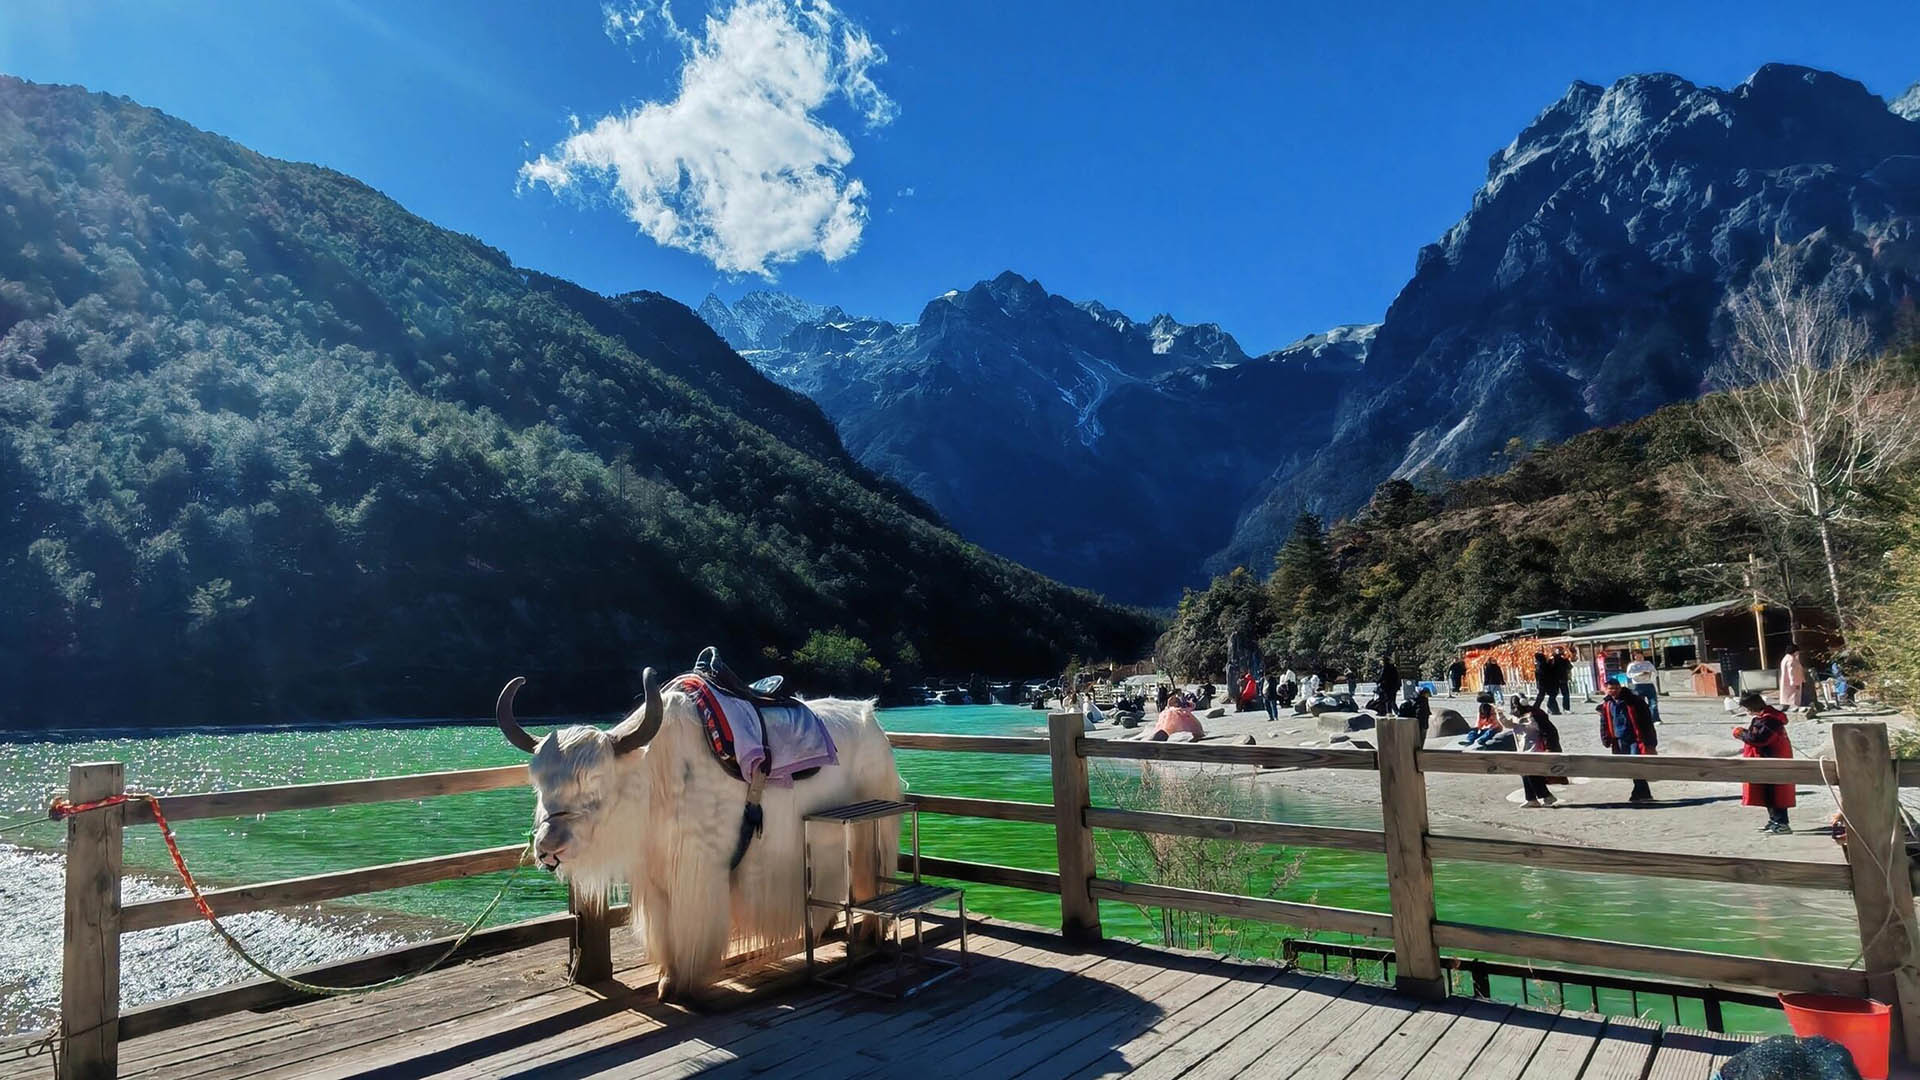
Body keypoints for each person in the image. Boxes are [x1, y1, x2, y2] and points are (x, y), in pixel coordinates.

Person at [1732, 692, 1795, 834]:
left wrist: (1739, 733)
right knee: (1766, 791)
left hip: (1773, 759)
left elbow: (1759, 739)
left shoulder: (1770, 719)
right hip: (1767, 758)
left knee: (1776, 792)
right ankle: (1774, 821)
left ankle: (1782, 823)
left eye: (1746, 708)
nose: (1747, 711)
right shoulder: (1765, 717)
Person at [1598, 679, 1658, 804]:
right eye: (1610, 688)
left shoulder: (1634, 701)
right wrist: (1605, 738)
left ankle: (1641, 793)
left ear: (1620, 688)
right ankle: (1641, 793)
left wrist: (1651, 740)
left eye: (1616, 688)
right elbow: (1604, 722)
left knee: (1635, 764)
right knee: (1627, 766)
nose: (1614, 691)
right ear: (1606, 689)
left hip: (1635, 738)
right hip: (1619, 739)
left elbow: (1646, 721)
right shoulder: (1607, 704)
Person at [1507, 700, 1562, 807]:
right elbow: (1509, 724)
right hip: (1523, 749)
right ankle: (1531, 799)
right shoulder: (1517, 717)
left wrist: (1549, 748)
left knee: (1531, 773)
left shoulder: (1535, 715)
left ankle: (1546, 796)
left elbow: (1549, 731)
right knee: (1525, 773)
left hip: (1535, 749)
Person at [1625, 651, 1661, 723]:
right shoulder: (1632, 665)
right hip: (1638, 685)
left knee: (1653, 703)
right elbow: (1629, 675)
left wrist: (1650, 673)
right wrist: (1639, 674)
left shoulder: (1648, 663)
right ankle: (1641, 719)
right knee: (1639, 704)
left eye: (1640, 656)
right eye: (1637, 656)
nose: (1639, 658)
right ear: (1634, 657)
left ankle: (1655, 719)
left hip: (1648, 684)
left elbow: (1655, 673)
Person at [1778, 643, 1807, 712]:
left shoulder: (1785, 658)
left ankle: (1786, 706)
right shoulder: (1791, 660)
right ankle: (1796, 707)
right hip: (1793, 681)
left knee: (1786, 694)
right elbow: (1792, 672)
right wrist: (1795, 682)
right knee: (1794, 695)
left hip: (1786, 680)